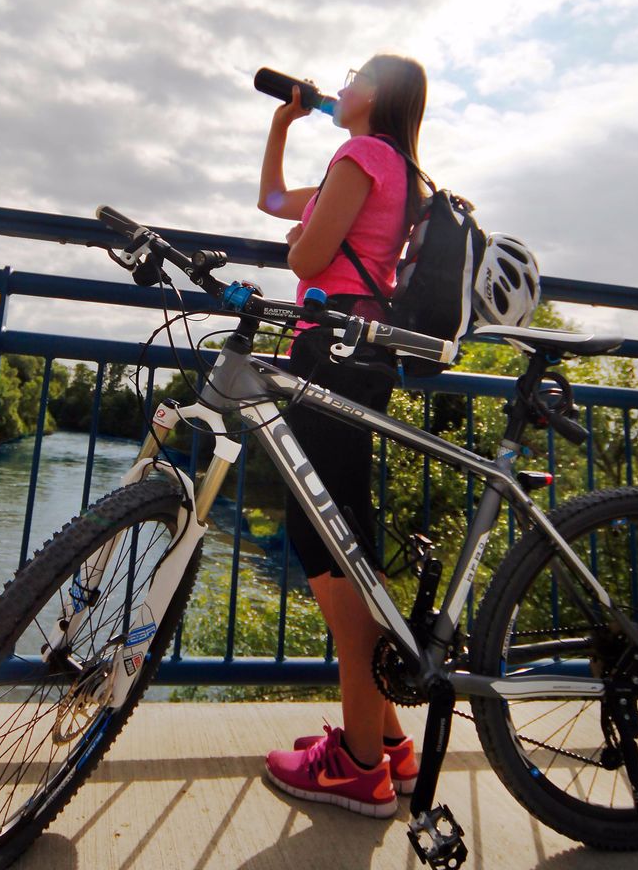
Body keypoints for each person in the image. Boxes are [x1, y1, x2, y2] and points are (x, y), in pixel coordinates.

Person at [257, 53, 427, 818]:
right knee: (338, 534)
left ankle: (359, 767)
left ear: (376, 97)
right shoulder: (390, 166)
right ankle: (388, 743)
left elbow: (303, 254)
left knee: (327, 542)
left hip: (331, 349)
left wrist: (306, 243)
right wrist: (282, 122)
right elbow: (271, 201)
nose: (342, 80)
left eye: (356, 72)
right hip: (358, 352)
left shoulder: (361, 155)